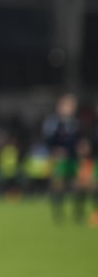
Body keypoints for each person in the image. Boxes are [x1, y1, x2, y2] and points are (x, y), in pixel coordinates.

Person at [41, 92, 83, 224]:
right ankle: (58, 215)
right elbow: (47, 139)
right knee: (59, 185)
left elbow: (79, 139)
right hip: (59, 158)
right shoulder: (53, 122)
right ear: (60, 106)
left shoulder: (75, 122)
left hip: (73, 158)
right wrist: (54, 150)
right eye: (68, 105)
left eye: (72, 105)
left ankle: (78, 214)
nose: (71, 108)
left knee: (77, 186)